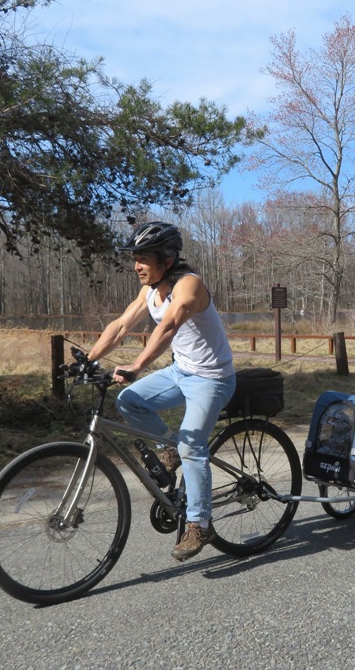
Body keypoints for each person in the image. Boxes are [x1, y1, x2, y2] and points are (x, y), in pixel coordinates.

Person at [87, 221, 236, 560]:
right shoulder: (149, 291)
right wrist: (88, 359)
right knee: (130, 400)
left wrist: (137, 365)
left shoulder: (190, 286)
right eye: (134, 258)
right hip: (180, 371)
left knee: (192, 444)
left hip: (213, 379)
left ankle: (200, 523)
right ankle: (167, 450)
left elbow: (169, 325)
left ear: (167, 260)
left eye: (143, 259)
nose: (136, 266)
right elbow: (122, 325)